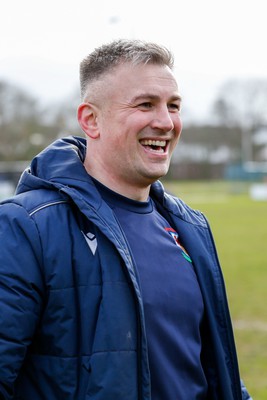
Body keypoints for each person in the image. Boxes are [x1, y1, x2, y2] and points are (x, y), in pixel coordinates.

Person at [0, 39, 252, 400]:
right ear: (91, 120)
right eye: (145, 104)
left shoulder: (191, 227)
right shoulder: (26, 227)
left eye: (174, 106)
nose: (165, 122)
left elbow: (216, 368)